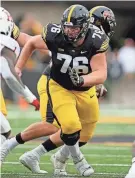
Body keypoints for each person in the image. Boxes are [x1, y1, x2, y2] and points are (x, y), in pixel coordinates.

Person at [0, 7, 40, 145]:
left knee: (3, 130)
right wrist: (30, 97)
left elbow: (27, 39)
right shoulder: (5, 38)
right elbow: (8, 73)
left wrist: (52, 43)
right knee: (3, 130)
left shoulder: (11, 30)